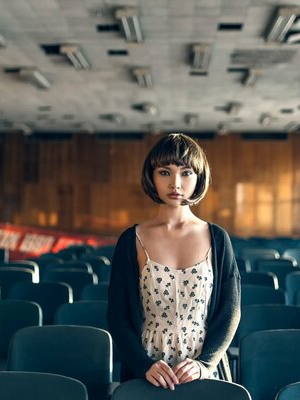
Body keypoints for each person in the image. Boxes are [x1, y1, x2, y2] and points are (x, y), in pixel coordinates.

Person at [108, 133, 241, 390]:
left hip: (203, 368)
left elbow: (230, 311)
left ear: (198, 177)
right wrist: (143, 364)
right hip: (147, 368)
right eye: (165, 172)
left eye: (186, 173)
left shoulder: (218, 238)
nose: (176, 184)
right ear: (152, 176)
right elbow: (117, 315)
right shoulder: (131, 239)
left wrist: (205, 364)